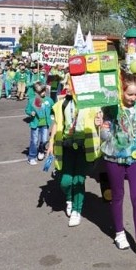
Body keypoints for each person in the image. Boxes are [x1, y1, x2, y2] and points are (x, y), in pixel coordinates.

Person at [99, 71, 136, 258]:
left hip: (135, 159)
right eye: (130, 94)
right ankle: (120, 233)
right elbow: (105, 136)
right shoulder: (111, 108)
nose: (133, 98)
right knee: (118, 196)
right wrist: (102, 127)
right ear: (121, 92)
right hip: (114, 158)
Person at [46, 84, 102, 227]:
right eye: (68, 84)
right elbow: (56, 124)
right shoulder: (62, 104)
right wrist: (51, 143)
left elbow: (101, 122)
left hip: (84, 147)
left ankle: (77, 211)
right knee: (65, 181)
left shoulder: (91, 103)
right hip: (67, 147)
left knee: (78, 180)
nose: (68, 87)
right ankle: (69, 197)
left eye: (72, 84)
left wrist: (99, 122)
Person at [25, 82, 53, 165]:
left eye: (44, 91)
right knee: (34, 141)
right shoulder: (32, 100)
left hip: (45, 124)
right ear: (36, 92)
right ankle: (32, 157)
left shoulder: (49, 100)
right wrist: (31, 113)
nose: (43, 93)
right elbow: (27, 110)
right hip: (35, 124)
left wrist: (53, 114)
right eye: (40, 92)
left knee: (44, 140)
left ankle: (41, 151)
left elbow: (53, 108)